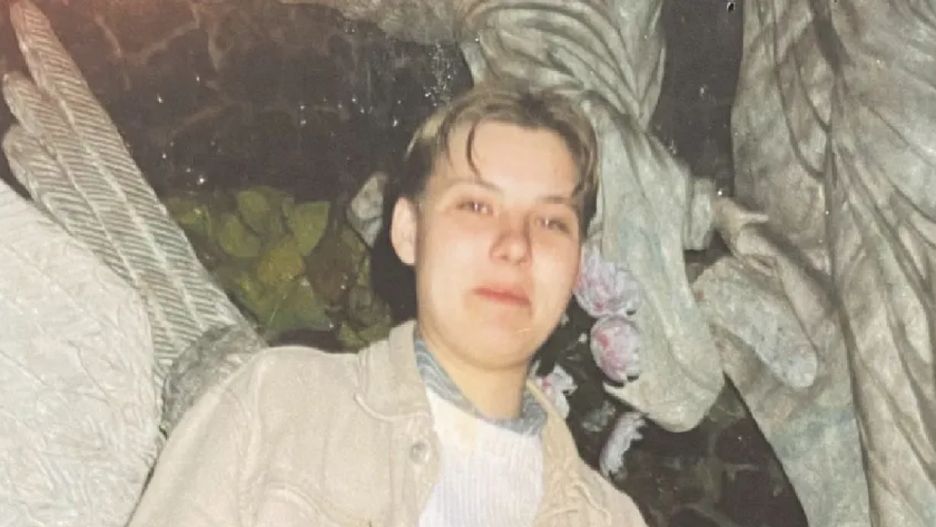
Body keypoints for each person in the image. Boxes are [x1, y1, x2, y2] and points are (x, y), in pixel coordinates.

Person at [128, 84, 648, 527]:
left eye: (551, 221)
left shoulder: (612, 518)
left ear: (577, 264)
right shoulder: (279, 408)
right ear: (408, 231)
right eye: (476, 206)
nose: (516, 244)